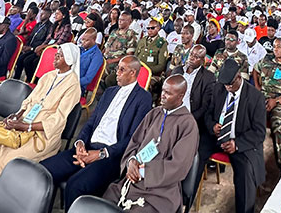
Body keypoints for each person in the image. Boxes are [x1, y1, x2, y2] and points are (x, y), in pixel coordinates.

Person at [0, 43, 81, 212]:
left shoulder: (73, 85)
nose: (55, 57)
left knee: (3, 161)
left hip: (42, 135)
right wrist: (17, 115)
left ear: (69, 60)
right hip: (22, 123)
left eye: (59, 56)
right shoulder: (48, 76)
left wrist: (26, 126)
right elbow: (30, 101)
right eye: (56, 54)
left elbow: (58, 120)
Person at [40, 56, 152, 210]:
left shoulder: (143, 98)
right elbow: (91, 123)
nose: (116, 73)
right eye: (117, 68)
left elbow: (132, 138)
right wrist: (79, 143)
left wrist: (100, 154)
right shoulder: (110, 92)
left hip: (109, 157)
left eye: (121, 70)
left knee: (75, 186)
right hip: (86, 148)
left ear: (133, 73)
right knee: (44, 170)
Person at [103, 75, 199, 213]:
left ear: (181, 96)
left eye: (168, 93)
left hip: (160, 191)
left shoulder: (188, 125)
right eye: (163, 91)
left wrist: (142, 171)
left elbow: (179, 166)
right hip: (132, 181)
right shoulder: (154, 113)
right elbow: (134, 142)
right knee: (103, 204)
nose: (163, 96)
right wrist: (131, 162)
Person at [192, 59, 266, 213]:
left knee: (245, 173)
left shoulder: (255, 97)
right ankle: (186, 200)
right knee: (195, 155)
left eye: (230, 85)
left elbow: (259, 132)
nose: (227, 88)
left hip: (240, 140)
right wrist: (213, 125)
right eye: (225, 85)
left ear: (239, 77)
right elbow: (208, 114)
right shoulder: (220, 88)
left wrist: (236, 144)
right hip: (217, 137)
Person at [171, 44, 216, 129]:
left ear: (202, 61)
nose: (191, 58)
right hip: (172, 112)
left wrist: (189, 119)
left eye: (196, 57)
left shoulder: (208, 78)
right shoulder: (177, 70)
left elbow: (204, 107)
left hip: (191, 117)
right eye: (191, 54)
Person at [23, 6, 72, 82]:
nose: (55, 16)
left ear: (64, 16)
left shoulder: (67, 27)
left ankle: (37, 82)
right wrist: (41, 47)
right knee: (27, 60)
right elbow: (48, 38)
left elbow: (59, 43)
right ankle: (30, 80)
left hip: (55, 51)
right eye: (55, 14)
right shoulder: (54, 25)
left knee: (35, 62)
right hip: (46, 48)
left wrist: (44, 47)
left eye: (58, 14)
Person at [13, 8, 52, 80]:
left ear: (49, 15)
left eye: (43, 14)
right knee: (20, 59)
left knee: (27, 61)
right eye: (41, 13)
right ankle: (16, 78)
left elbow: (45, 41)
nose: (41, 15)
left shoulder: (49, 27)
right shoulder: (38, 25)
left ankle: (30, 80)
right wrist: (26, 46)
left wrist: (32, 48)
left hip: (37, 49)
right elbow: (31, 37)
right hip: (30, 47)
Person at [135, 19, 168, 101]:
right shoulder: (143, 40)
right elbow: (135, 57)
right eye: (148, 28)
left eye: (152, 28)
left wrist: (146, 70)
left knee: (145, 88)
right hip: (137, 70)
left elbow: (161, 66)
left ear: (158, 29)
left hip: (151, 74)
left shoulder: (161, 43)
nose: (149, 30)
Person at [103, 11, 137, 87]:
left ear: (129, 22)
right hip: (105, 61)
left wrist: (112, 61)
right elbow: (105, 48)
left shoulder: (131, 35)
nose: (120, 21)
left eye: (123, 20)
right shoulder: (114, 32)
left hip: (116, 65)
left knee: (107, 79)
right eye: (119, 19)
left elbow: (129, 56)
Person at [79, 28, 104, 93]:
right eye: (83, 39)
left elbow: (87, 79)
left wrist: (72, 83)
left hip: (78, 87)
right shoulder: (79, 49)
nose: (83, 42)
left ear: (94, 39)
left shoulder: (97, 56)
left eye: (87, 40)